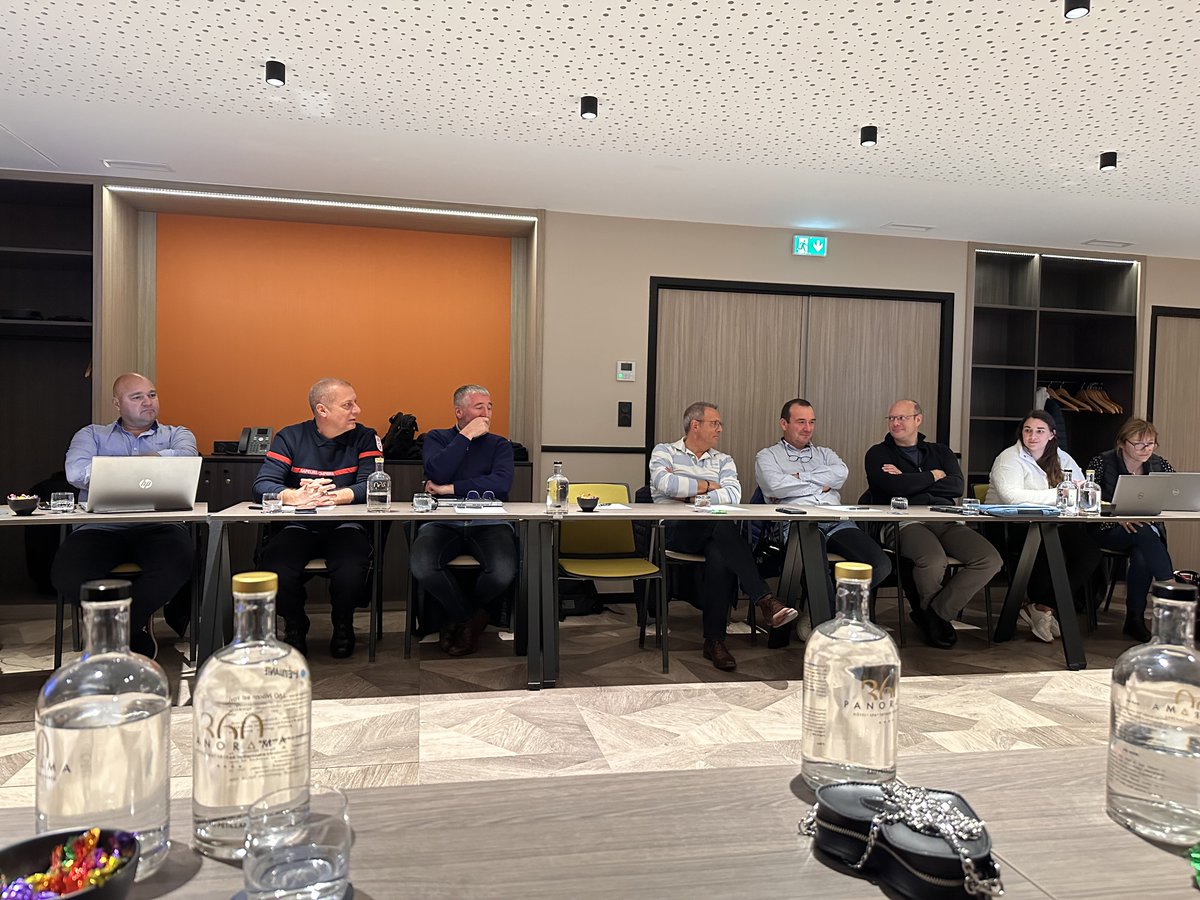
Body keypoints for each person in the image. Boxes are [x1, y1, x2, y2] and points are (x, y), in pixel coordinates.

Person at [52, 373, 198, 659]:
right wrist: (153, 461)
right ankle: (129, 631)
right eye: (137, 397)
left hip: (160, 525)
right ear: (116, 404)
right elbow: (75, 472)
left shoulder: (178, 434)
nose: (148, 402)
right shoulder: (91, 434)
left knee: (178, 562)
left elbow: (188, 459)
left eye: (152, 395)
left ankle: (117, 630)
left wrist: (111, 468)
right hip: (99, 527)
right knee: (68, 574)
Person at [651, 401, 797, 671]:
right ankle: (764, 600)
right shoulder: (664, 451)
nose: (720, 429)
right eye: (715, 423)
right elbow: (666, 484)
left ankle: (715, 641)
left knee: (720, 552)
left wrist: (689, 495)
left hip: (712, 533)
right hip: (675, 530)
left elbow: (732, 494)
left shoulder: (723, 460)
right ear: (695, 425)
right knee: (721, 526)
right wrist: (709, 486)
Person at [253, 378, 382, 658]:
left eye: (355, 403)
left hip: (345, 526)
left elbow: (372, 485)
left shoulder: (365, 437)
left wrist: (331, 497)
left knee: (352, 567)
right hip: (298, 525)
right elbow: (262, 484)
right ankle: (295, 624)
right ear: (322, 410)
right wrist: (296, 496)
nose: (357, 410)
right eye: (348, 405)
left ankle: (343, 623)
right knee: (275, 566)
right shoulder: (290, 437)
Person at [864, 399, 1002, 649]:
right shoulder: (878, 453)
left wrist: (909, 480)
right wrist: (932, 476)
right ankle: (935, 620)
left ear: (918, 419)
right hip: (904, 521)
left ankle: (935, 614)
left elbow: (956, 486)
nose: (895, 423)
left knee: (989, 559)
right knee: (933, 560)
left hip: (945, 517)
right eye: (892, 418)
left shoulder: (940, 452)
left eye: (902, 418)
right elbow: (893, 488)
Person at [755, 398, 892, 624]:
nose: (808, 428)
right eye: (801, 422)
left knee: (880, 565)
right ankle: (828, 625)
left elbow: (841, 474)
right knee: (816, 569)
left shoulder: (826, 454)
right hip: (798, 523)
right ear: (784, 424)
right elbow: (774, 486)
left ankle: (830, 613)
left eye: (812, 422)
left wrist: (799, 478)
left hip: (836, 520)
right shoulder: (767, 456)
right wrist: (822, 483)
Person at [410, 384, 517, 657]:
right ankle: (469, 619)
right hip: (443, 519)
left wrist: (449, 488)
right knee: (423, 565)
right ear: (459, 412)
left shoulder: (500, 445)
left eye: (490, 407)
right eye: (479, 407)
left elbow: (500, 485)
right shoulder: (437, 438)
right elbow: (436, 470)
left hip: (489, 520)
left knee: (503, 571)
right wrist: (466, 436)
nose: (487, 413)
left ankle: (458, 620)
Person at [985, 409, 1102, 642]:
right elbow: (1011, 497)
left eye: (1040, 431)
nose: (1033, 436)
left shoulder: (1062, 457)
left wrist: (1070, 493)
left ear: (1052, 434)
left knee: (1089, 553)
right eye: (1027, 430)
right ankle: (1040, 609)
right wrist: (1060, 494)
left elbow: (1080, 490)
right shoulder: (1008, 458)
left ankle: (1043, 606)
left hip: (1052, 522)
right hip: (1009, 525)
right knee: (1045, 546)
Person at [1086, 418, 1175, 642]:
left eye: (1151, 443)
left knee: (1142, 550)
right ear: (1122, 443)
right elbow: (1087, 499)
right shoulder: (1101, 462)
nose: (1146, 449)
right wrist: (1118, 516)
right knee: (1144, 533)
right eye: (1139, 444)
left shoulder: (1159, 464)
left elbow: (1175, 493)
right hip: (1106, 529)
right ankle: (1170, 588)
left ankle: (1135, 619)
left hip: (1144, 534)